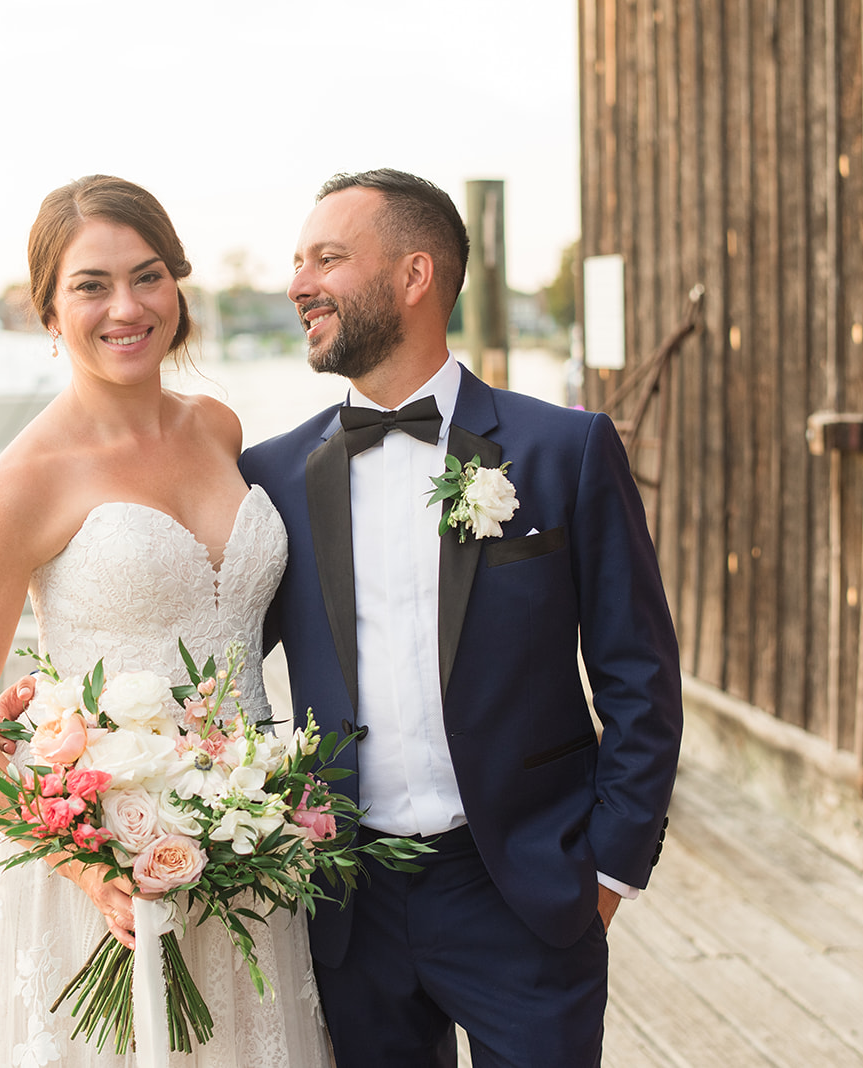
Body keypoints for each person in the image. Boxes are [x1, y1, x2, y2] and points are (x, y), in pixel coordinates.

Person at [235, 169, 683, 1067]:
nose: (297, 286)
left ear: (415, 274)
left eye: (327, 258)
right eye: (297, 262)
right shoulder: (271, 476)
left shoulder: (565, 448)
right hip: (345, 901)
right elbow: (216, 656)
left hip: (522, 889)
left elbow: (640, 675)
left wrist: (607, 869)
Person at [0, 175, 331, 1068]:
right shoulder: (21, 486)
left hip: (243, 845)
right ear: (49, 310)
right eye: (91, 285)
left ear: (178, 284)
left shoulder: (218, 427)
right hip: (94, 872)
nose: (126, 307)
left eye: (149, 275)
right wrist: (80, 866)